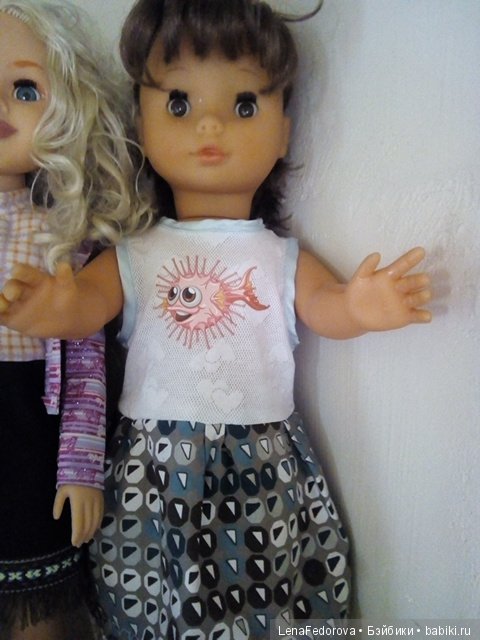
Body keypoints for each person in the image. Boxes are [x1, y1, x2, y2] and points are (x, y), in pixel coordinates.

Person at [0, 0, 432, 637]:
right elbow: (88, 304)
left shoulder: (280, 255)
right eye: (178, 103)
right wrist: (54, 308)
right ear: (141, 123)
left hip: (262, 464)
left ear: (283, 131)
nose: (209, 123)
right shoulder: (136, 252)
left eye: (244, 105)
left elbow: (324, 306)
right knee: (151, 599)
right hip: (154, 467)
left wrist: (359, 307)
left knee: (261, 595)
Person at [0, 1, 148, 638]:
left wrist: (82, 468)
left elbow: (87, 365)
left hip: (31, 431)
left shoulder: (64, 233)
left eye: (24, 89)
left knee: (39, 612)